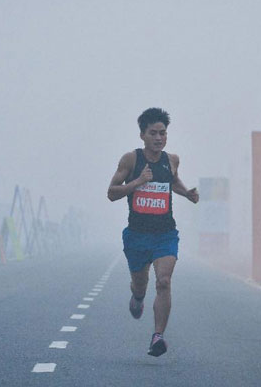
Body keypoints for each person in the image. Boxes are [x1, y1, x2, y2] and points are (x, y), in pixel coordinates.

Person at [107, 107, 199, 357]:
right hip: (136, 235)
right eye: (153, 133)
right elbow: (111, 193)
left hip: (164, 234)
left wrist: (187, 193)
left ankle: (158, 336)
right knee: (141, 284)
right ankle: (137, 297)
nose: (159, 138)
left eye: (163, 133)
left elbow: (174, 181)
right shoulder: (131, 160)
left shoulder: (171, 160)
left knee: (164, 281)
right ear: (142, 135)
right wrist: (137, 182)